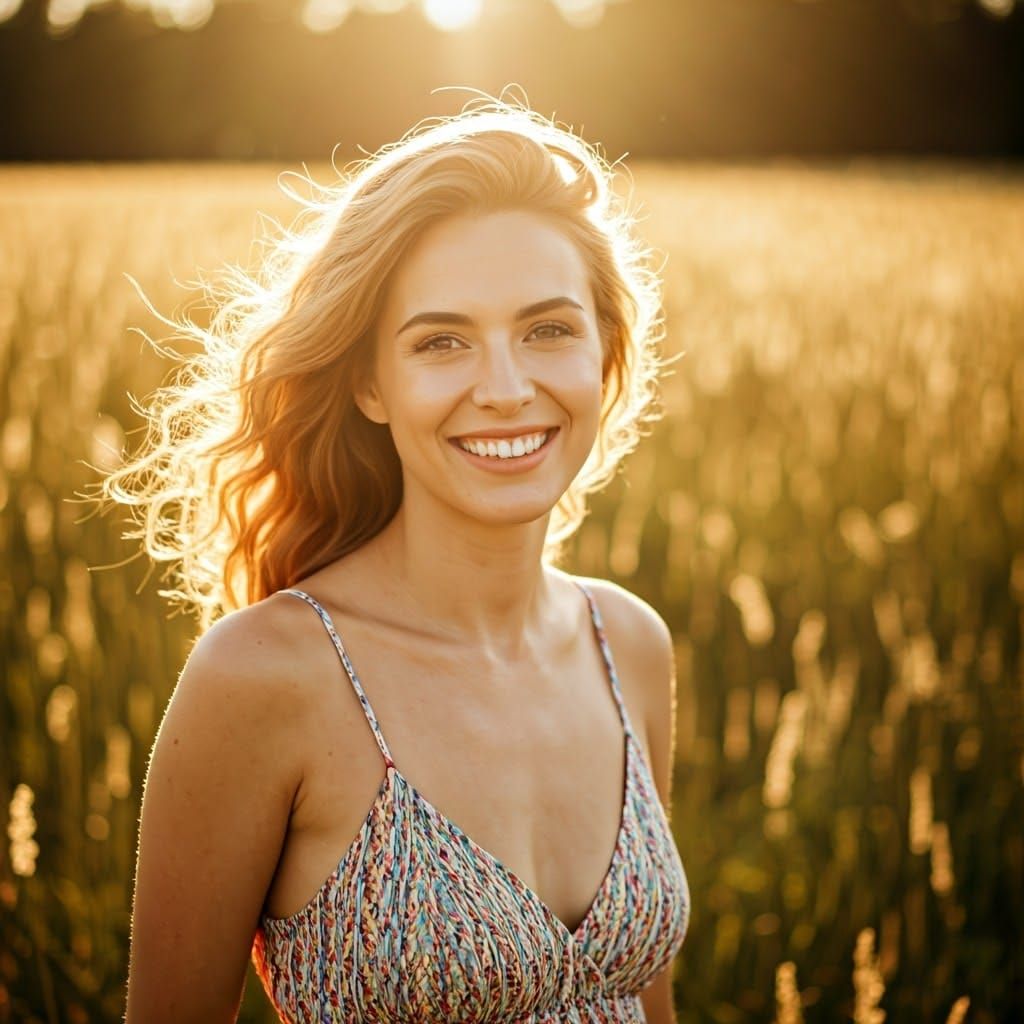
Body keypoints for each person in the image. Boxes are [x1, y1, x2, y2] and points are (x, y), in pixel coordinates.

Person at [111, 92, 690, 1023]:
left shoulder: (628, 645)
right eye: (442, 342)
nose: (505, 389)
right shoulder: (267, 678)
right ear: (371, 385)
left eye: (548, 329)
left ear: (607, 356)